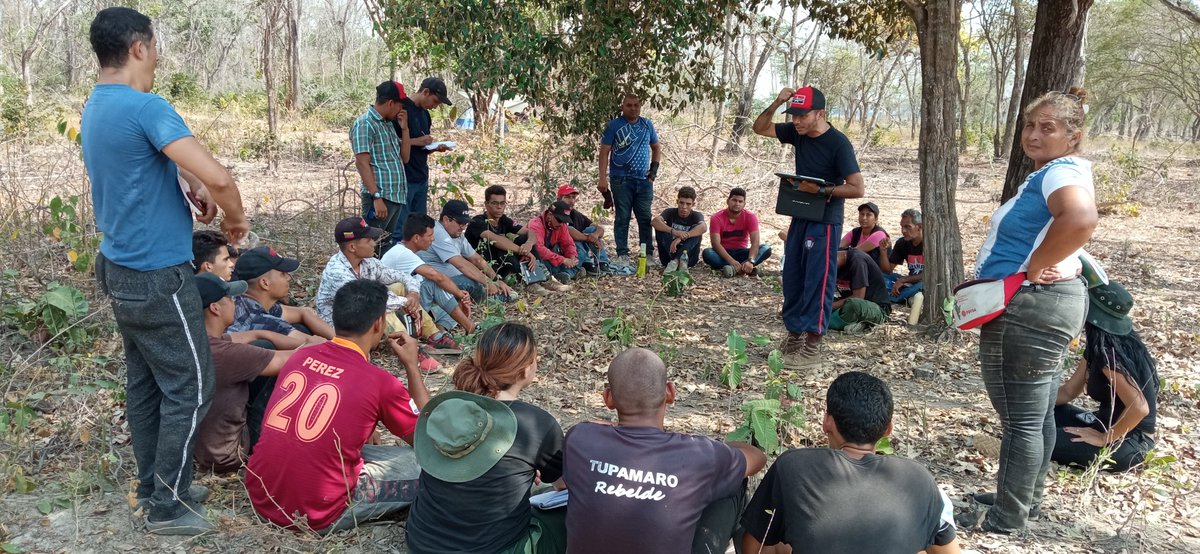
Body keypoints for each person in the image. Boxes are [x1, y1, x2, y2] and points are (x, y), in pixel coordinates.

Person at [83, 6, 249, 534]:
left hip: (119, 267)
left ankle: (154, 482)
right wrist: (236, 220)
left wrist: (185, 187)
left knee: (148, 384)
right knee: (193, 382)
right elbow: (220, 179)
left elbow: (144, 169)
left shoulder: (97, 105)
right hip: (157, 275)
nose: (156, 57)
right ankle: (167, 505)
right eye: (153, 47)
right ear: (138, 47)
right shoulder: (147, 107)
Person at [960, 88, 1097, 535]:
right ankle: (1023, 498)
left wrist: (1036, 267)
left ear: (1073, 136)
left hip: (1027, 307)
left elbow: (1079, 219)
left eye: (1048, 127)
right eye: (1029, 126)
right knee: (1035, 415)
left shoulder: (1061, 172)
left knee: (1020, 419)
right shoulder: (1052, 172)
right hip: (1045, 305)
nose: (1034, 135)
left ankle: (1008, 515)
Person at [245, 280, 430, 533]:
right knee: (423, 467)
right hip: (317, 512)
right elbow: (427, 442)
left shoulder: (300, 356)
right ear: (379, 323)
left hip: (261, 494)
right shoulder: (379, 381)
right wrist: (411, 365)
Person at [563, 348, 766, 554]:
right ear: (670, 392)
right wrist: (719, 450)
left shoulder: (580, 439)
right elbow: (758, 459)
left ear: (608, 398)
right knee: (733, 483)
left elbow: (592, 431)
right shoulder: (699, 455)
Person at [741, 372, 961, 554]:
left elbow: (753, 549)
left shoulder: (793, 466)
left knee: (779, 541)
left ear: (827, 422)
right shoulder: (918, 478)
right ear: (888, 430)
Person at [406, 324, 567, 554]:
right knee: (569, 514)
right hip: (493, 549)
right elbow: (564, 485)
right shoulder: (537, 424)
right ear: (525, 369)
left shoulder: (447, 409)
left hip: (421, 543)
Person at [752, 86, 865, 371]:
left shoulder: (838, 144)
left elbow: (857, 188)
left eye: (803, 116)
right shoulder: (796, 133)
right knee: (793, 276)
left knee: (818, 280)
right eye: (794, 116)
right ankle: (793, 338)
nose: (797, 121)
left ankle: (813, 345)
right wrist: (778, 100)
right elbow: (759, 127)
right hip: (799, 213)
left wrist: (822, 189)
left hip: (825, 221)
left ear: (820, 114)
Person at [193, 273, 304, 474]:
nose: (235, 302)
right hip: (232, 453)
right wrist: (335, 346)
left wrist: (267, 334)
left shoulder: (198, 342)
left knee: (263, 344)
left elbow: (255, 334)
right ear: (215, 308)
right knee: (286, 372)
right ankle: (275, 444)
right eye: (229, 298)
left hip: (202, 446)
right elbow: (296, 359)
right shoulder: (226, 354)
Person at [316, 216, 449, 370]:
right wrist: (405, 302)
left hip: (363, 315)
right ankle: (410, 352)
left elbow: (403, 276)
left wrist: (413, 293)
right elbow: (369, 302)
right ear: (352, 247)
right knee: (381, 308)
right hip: (342, 327)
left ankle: (434, 335)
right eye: (368, 240)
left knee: (399, 287)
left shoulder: (368, 263)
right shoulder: (337, 272)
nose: (374, 243)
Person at [382, 214, 476, 335]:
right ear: (416, 238)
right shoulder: (402, 253)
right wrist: (461, 295)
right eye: (430, 235)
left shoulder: (410, 252)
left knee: (451, 308)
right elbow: (437, 277)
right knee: (434, 284)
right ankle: (470, 328)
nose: (433, 239)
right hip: (397, 311)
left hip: (409, 307)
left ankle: (440, 329)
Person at [598, 93, 661, 264]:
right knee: (622, 217)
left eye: (636, 105)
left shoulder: (647, 125)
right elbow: (604, 151)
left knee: (644, 217)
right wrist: (602, 178)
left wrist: (653, 172)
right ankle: (622, 254)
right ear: (623, 107)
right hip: (621, 179)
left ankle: (647, 253)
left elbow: (656, 148)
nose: (633, 108)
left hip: (643, 180)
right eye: (629, 105)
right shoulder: (614, 126)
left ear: (640, 106)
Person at [392, 77, 455, 241]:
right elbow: (389, 144)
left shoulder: (425, 115)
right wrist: (415, 141)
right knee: (402, 228)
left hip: (421, 176)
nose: (435, 106)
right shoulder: (401, 109)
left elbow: (420, 148)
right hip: (404, 177)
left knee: (419, 229)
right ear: (425, 92)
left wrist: (433, 147)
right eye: (435, 101)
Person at [353, 80, 411, 253]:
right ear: (391, 103)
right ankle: (365, 280)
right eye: (400, 105)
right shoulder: (365, 123)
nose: (401, 109)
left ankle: (379, 280)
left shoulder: (387, 124)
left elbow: (405, 158)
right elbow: (362, 163)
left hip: (395, 196)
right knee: (370, 246)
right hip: (380, 197)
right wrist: (376, 197)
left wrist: (405, 129)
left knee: (384, 246)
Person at [420, 199, 518, 302]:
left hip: (451, 279)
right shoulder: (438, 233)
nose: (463, 227)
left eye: (465, 223)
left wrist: (496, 280)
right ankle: (489, 299)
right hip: (435, 283)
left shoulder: (456, 234)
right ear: (446, 219)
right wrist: (488, 282)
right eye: (460, 223)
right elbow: (461, 264)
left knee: (474, 277)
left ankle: (490, 293)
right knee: (470, 281)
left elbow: (476, 259)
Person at [231, 247, 334, 341]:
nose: (288, 278)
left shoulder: (244, 301)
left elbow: (302, 313)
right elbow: (313, 344)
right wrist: (345, 343)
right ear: (265, 283)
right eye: (283, 274)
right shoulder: (257, 318)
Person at [464, 184, 538, 281]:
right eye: (495, 203)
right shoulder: (477, 222)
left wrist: (528, 245)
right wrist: (524, 251)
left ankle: (540, 275)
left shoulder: (503, 219)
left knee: (524, 239)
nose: (499, 207)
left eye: (502, 203)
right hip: (484, 267)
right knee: (502, 248)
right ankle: (525, 280)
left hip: (500, 264)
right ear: (486, 204)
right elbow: (496, 240)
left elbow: (530, 233)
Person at [702, 187, 772, 277]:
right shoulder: (716, 217)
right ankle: (745, 269)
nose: (737, 204)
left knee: (766, 248)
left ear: (744, 204)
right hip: (724, 254)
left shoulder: (750, 217)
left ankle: (737, 268)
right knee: (707, 253)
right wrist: (732, 261)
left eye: (740, 201)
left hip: (742, 253)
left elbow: (755, 242)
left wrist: (750, 261)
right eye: (734, 200)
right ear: (728, 201)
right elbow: (715, 244)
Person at [830, 248, 889, 332]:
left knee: (853, 304)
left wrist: (828, 307)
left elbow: (858, 297)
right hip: (846, 303)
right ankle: (849, 322)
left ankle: (829, 322)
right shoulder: (836, 264)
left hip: (875, 308)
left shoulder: (858, 261)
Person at [557, 184, 611, 276]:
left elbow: (599, 228)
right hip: (561, 249)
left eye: (573, 197)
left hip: (577, 248)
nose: (571, 201)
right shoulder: (555, 213)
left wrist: (595, 235)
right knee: (576, 239)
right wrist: (588, 237)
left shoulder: (576, 214)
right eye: (567, 197)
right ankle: (586, 264)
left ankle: (602, 263)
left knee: (593, 229)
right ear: (558, 199)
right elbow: (568, 231)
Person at [525, 201, 581, 285]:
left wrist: (572, 257)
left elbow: (568, 243)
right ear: (550, 215)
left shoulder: (562, 226)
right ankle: (569, 273)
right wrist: (563, 260)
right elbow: (538, 249)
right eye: (559, 220)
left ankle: (566, 273)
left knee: (579, 252)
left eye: (564, 221)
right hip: (536, 259)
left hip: (553, 256)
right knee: (545, 265)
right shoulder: (536, 224)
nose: (561, 224)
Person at [651, 186, 706, 271]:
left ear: (693, 204)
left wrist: (682, 237)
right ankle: (675, 261)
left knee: (697, 229)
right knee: (661, 227)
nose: (684, 207)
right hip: (668, 257)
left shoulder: (696, 215)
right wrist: (674, 232)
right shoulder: (670, 212)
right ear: (677, 202)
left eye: (688, 204)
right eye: (681, 203)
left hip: (688, 259)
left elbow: (703, 227)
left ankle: (676, 261)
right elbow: (654, 221)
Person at [878, 209, 924, 303]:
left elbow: (929, 275)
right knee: (879, 277)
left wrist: (903, 280)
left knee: (922, 285)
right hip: (910, 282)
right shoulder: (902, 243)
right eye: (902, 227)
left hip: (925, 281)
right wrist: (883, 251)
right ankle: (908, 297)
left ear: (919, 227)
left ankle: (898, 297)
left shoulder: (930, 244)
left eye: (908, 227)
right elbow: (887, 270)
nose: (903, 231)